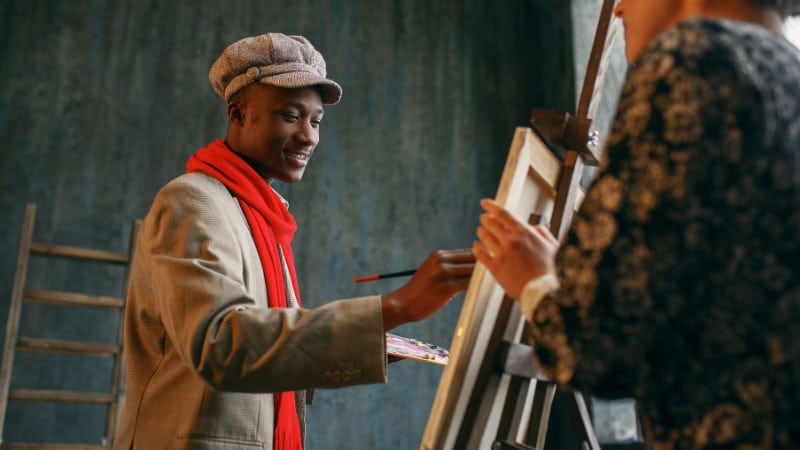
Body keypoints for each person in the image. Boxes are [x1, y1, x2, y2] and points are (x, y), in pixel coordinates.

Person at [113, 32, 475, 450]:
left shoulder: (264, 216)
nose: (309, 136)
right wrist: (396, 307)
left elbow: (265, 349)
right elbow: (223, 345)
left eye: (316, 120)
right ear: (238, 114)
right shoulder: (192, 201)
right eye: (291, 115)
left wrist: (360, 340)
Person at [473, 0, 800, 448]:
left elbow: (600, 351)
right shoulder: (787, 75)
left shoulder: (692, 61)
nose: (621, 8)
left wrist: (536, 283)